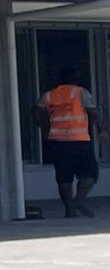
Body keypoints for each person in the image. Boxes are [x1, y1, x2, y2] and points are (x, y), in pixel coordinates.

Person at [35, 67, 102, 218]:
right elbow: (94, 114)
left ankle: (69, 209)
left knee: (64, 177)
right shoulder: (81, 93)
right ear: (76, 79)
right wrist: (101, 130)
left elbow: (38, 115)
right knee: (90, 174)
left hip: (58, 142)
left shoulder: (49, 95)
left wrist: (46, 129)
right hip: (80, 141)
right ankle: (78, 201)